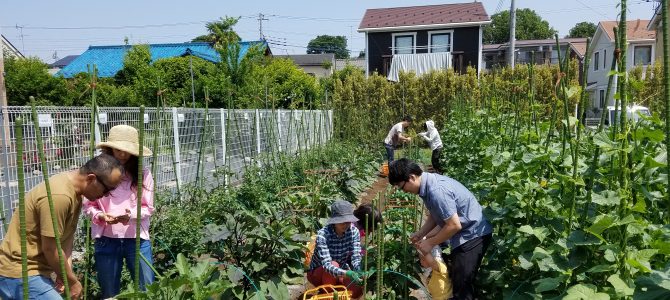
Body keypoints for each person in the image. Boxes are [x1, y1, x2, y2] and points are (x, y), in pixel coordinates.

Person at [0, 154, 124, 300]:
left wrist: (65, 272)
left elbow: (66, 237)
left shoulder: (75, 192)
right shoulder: (60, 196)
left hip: (33, 271)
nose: (106, 195)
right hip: (20, 272)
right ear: (91, 178)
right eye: (106, 190)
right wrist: (73, 282)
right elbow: (50, 248)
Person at [389, 158, 493, 300]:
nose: (404, 191)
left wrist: (430, 243)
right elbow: (435, 214)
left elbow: (454, 225)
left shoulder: (436, 190)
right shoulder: (427, 186)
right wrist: (421, 233)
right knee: (459, 279)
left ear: (411, 177)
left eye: (402, 187)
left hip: (473, 234)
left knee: (462, 285)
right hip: (464, 232)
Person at [83, 125, 155, 299]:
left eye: (127, 151)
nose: (122, 155)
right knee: (109, 293)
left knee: (146, 290)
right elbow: (88, 204)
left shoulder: (143, 174)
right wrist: (100, 215)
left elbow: (148, 207)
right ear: (110, 149)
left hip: (137, 238)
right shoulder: (97, 173)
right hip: (106, 239)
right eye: (118, 150)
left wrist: (130, 215)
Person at [308, 200, 364, 298]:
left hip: (341, 271)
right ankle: (327, 294)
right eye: (342, 221)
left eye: (348, 221)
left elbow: (356, 255)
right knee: (334, 264)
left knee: (357, 290)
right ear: (334, 220)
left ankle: (336, 292)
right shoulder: (323, 235)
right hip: (319, 273)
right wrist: (347, 273)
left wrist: (358, 269)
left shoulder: (354, 231)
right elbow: (327, 265)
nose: (345, 224)